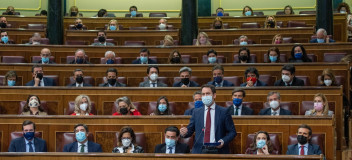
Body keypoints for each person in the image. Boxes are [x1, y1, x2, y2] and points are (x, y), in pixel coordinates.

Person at [180, 84, 236, 154]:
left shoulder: (224, 112)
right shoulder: (196, 112)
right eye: (203, 94)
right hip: (200, 150)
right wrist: (184, 133)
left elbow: (232, 132)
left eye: (208, 93)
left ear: (214, 95)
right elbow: (190, 130)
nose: (205, 96)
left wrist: (223, 141)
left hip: (218, 150)